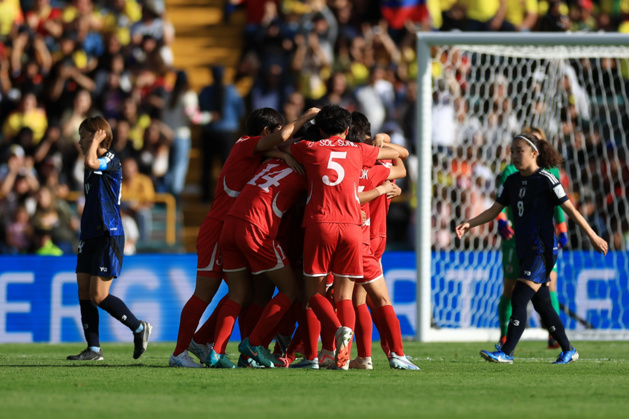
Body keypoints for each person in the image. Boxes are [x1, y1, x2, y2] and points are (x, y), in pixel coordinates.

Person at [169, 107, 316, 368]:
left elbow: (277, 147)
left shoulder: (253, 151)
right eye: (276, 134)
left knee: (241, 293)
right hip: (220, 227)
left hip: (232, 226)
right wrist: (305, 117)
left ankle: (207, 345)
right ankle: (180, 352)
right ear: (266, 132)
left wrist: (278, 152)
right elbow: (281, 139)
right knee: (204, 293)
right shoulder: (246, 144)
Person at [455, 133, 608, 364]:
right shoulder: (512, 181)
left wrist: (594, 236)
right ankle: (568, 349)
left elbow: (570, 210)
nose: (515, 156)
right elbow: (495, 210)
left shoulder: (547, 179)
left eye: (520, 151)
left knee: (519, 296)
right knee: (542, 304)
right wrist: (469, 223)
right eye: (513, 151)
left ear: (534, 153)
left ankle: (506, 352)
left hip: (543, 250)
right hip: (524, 250)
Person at [288, 104, 399, 370]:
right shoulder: (360, 150)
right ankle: (342, 357)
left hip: (321, 223)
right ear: (348, 130)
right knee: (345, 296)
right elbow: (396, 155)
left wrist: (305, 118)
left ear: (322, 129)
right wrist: (382, 141)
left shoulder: (310, 148)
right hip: (352, 227)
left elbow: (283, 141)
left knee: (313, 292)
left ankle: (336, 332)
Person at [67, 116, 152, 361]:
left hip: (108, 233)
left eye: (84, 135)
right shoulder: (92, 164)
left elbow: (92, 160)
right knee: (84, 292)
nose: (80, 141)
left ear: (98, 135)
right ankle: (93, 349)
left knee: (99, 295)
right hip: (90, 234)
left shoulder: (111, 159)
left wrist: (94, 141)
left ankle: (138, 327)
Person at [495, 127, 569, 349]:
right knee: (514, 290)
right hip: (515, 239)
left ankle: (548, 339)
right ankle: (504, 336)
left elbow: (562, 205)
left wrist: (563, 228)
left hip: (543, 242)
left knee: (545, 287)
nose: (517, 154)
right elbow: (498, 203)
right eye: (515, 150)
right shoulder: (510, 172)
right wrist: (500, 220)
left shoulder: (550, 174)